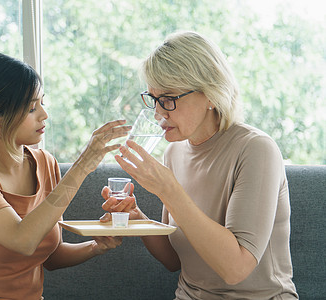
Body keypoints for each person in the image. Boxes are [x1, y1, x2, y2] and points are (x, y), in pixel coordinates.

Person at [101, 31, 298, 299]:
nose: (158, 113)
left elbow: (236, 269)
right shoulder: (174, 152)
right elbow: (175, 261)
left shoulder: (256, 150)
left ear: (209, 94)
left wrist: (169, 190)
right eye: (153, 99)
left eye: (169, 99)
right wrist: (138, 219)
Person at [0, 53, 131, 299]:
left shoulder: (45, 163)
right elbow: (22, 240)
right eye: (31, 108)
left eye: (42, 102)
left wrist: (96, 246)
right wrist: (82, 166)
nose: (44, 114)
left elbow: (51, 256)